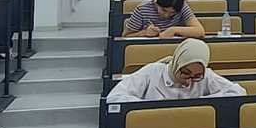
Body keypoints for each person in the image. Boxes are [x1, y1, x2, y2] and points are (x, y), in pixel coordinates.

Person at [103, 38, 246, 102]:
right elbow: (114, 98)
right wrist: (151, 106)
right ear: (177, 63)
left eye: (196, 76)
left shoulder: (205, 75)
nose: (189, 81)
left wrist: (201, 102)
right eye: (185, 73)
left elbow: (238, 92)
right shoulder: (152, 72)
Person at [123, 0, 206, 39]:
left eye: (173, 13)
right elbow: (125, 36)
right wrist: (144, 33)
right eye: (164, 10)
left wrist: (173, 30)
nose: (166, 15)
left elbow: (200, 31)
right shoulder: (142, 9)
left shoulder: (182, 6)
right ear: (156, 0)